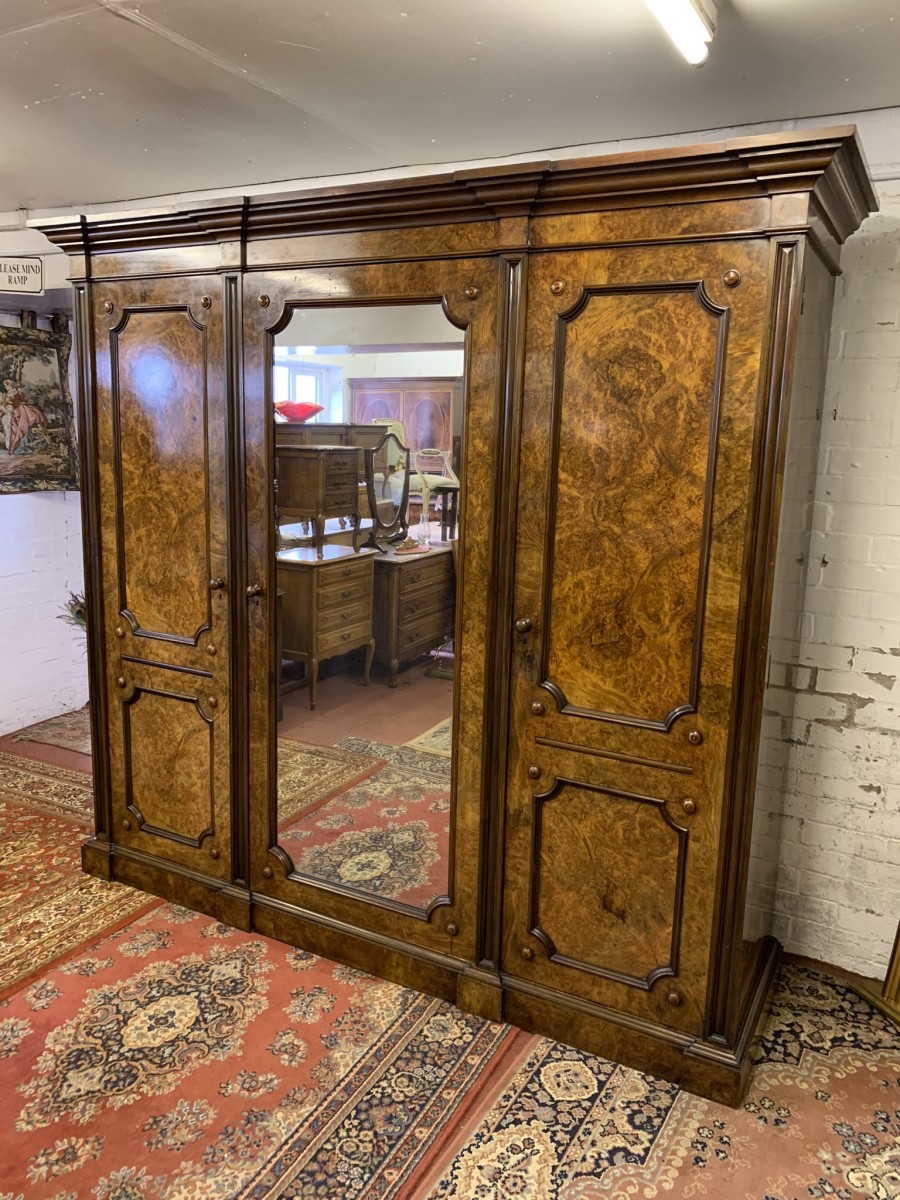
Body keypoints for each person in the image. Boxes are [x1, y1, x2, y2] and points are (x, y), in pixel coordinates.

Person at [2, 378, 47, 454]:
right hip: (11, 411)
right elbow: (6, 404)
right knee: (11, 425)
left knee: (22, 426)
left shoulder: (18, 392)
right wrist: (7, 408)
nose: (5, 387)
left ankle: (24, 446)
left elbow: (24, 400)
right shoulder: (6, 394)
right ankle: (14, 446)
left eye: (7, 386)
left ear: (11, 385)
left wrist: (20, 403)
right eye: (5, 386)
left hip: (20, 410)